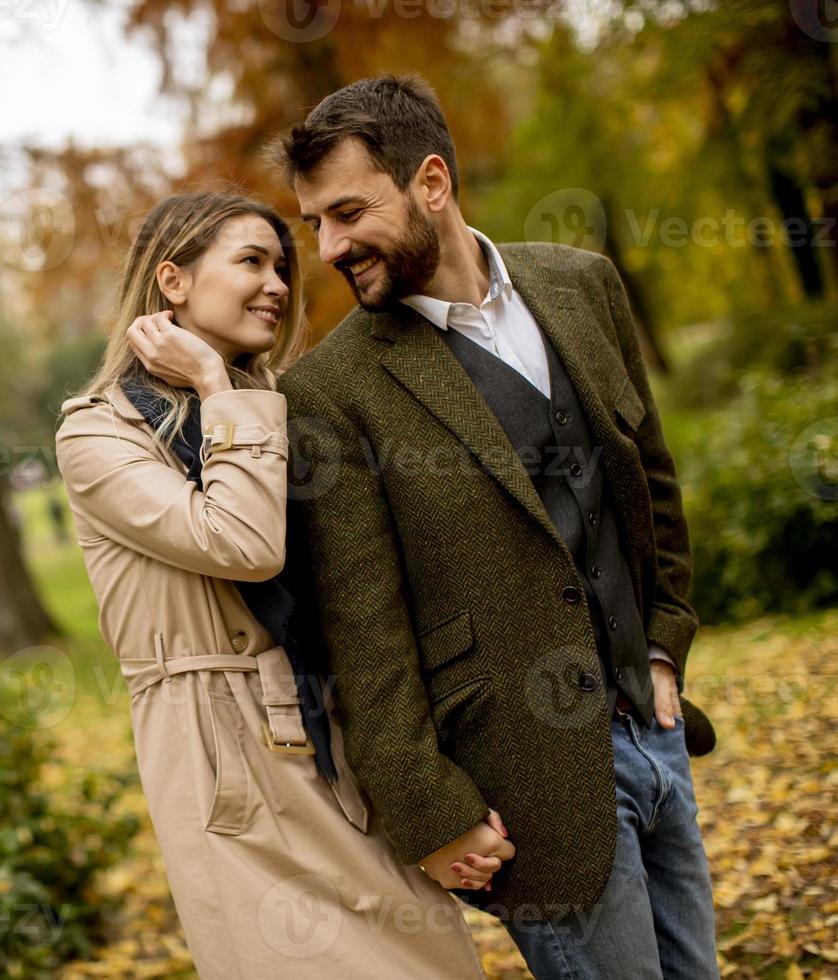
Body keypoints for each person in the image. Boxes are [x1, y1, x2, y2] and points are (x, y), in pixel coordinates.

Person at [274, 74, 720, 977]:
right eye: (315, 223)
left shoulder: (582, 284)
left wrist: (665, 641)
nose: (328, 247)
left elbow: (651, 484)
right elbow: (365, 633)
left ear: (431, 183)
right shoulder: (329, 391)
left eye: (348, 212)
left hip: (654, 729)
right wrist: (431, 812)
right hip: (524, 790)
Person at [55, 190, 497, 977]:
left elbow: (363, 591)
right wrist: (221, 392)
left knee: (429, 961)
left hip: (333, 733)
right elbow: (242, 543)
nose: (279, 285)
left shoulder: (282, 406)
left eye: (282, 267)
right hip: (219, 753)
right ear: (174, 281)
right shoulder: (96, 431)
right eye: (252, 262)